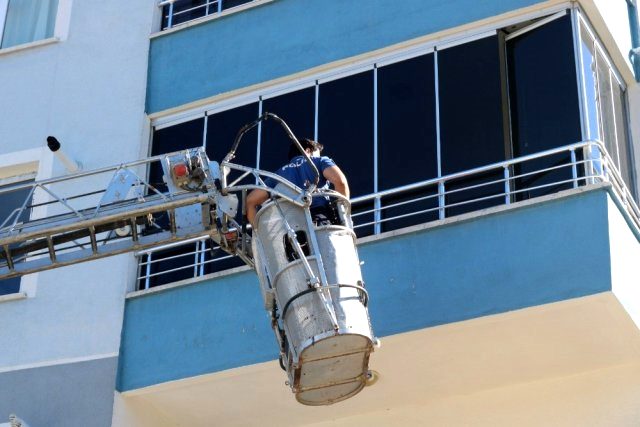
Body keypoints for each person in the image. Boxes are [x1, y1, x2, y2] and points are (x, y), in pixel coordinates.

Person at [246, 138, 349, 227]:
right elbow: (340, 182)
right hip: (319, 219)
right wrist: (342, 216)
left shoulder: (277, 175)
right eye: (317, 154)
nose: (317, 157)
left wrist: (259, 232)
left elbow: (251, 201)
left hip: (291, 228)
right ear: (308, 150)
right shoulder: (320, 161)